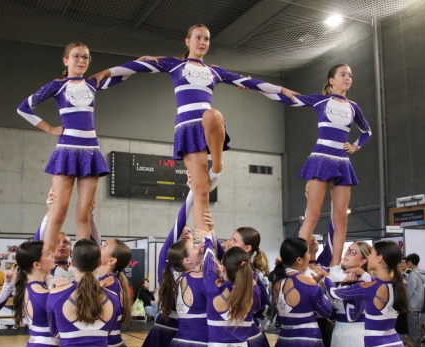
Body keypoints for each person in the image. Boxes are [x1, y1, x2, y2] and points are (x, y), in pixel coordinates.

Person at [90, 24, 297, 235]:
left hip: (208, 124)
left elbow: (250, 82)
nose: (203, 42)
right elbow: (135, 67)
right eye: (198, 38)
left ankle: (217, 166)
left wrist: (281, 90)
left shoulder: (214, 71)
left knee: (212, 114)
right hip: (187, 130)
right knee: (201, 191)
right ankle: (205, 243)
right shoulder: (174, 65)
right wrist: (105, 72)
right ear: (188, 41)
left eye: (206, 39)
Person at [17, 42, 129, 253]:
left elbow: (124, 75)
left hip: (91, 152)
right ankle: (46, 263)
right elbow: (23, 108)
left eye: (86, 57)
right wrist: (49, 128)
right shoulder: (57, 85)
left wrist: (139, 63)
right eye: (76, 56)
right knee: (58, 211)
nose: (81, 61)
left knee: (84, 213)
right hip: (66, 150)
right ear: (66, 60)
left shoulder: (92, 84)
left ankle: (83, 268)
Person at [263, 64, 372, 269]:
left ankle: (335, 267)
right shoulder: (321, 100)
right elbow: (290, 99)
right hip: (321, 158)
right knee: (312, 214)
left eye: (350, 75)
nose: (348, 78)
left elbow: (367, 131)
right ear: (331, 80)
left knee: (341, 218)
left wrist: (356, 146)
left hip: (342, 162)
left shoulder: (354, 106)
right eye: (343, 75)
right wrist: (260, 88)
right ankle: (300, 264)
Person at [324, 240, 413, 347]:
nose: (368, 257)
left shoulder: (370, 287)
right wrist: (362, 274)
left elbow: (334, 293)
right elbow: (373, 281)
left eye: (371, 253)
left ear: (379, 258)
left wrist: (328, 276)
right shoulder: (398, 284)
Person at [189, 234, 262, 347]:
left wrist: (208, 239)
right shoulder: (255, 293)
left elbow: (208, 262)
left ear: (222, 268)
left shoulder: (213, 289)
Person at [47, 238, 120, 347]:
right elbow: (108, 333)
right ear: (99, 263)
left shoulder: (56, 295)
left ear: (72, 263)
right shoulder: (114, 298)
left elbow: (54, 333)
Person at [138, 190, 194, 347]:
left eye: (191, 233)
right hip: (164, 332)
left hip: (190, 336)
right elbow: (178, 223)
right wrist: (193, 192)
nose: (188, 234)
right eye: (184, 233)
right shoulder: (166, 265)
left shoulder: (202, 267)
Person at [268, 237, 333, 347]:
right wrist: (325, 282)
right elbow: (328, 312)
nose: (308, 258)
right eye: (307, 255)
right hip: (309, 344)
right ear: (299, 260)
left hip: (286, 342)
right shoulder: (308, 282)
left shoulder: (276, 282)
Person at [9, 241, 60, 347]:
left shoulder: (28, 287)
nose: (52, 255)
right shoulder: (46, 294)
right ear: (36, 264)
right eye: (48, 254)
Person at [158, 237, 206, 347]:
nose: (198, 247)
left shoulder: (179, 280)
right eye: (194, 246)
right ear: (187, 260)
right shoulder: (201, 279)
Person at [323, 242, 372, 347]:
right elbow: (331, 312)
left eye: (353, 252)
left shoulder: (367, 280)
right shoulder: (342, 279)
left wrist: (326, 278)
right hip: (339, 332)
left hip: (357, 334)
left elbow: (352, 312)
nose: (347, 253)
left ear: (363, 260)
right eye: (347, 250)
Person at [226, 227, 271, 347]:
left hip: (245, 342)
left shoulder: (249, 277)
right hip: (243, 340)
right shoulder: (241, 272)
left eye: (234, 240)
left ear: (247, 248)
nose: (228, 242)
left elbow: (263, 307)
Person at [98, 238, 133, 347]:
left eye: (104, 246)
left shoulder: (107, 281)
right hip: (111, 346)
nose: (99, 246)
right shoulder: (107, 279)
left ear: (112, 261)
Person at [406, 253, 425, 347]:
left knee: (412, 325)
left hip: (412, 304)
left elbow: (410, 290)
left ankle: (416, 346)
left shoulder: (413, 274)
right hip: (419, 303)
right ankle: (417, 344)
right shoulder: (421, 274)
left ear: (410, 262)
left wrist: (404, 300)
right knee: (416, 325)